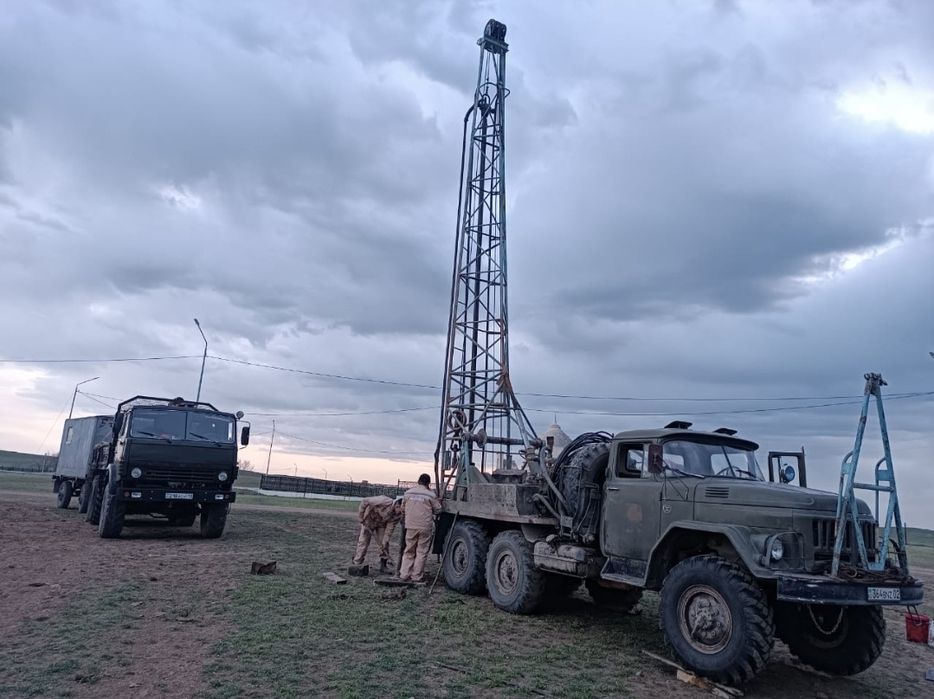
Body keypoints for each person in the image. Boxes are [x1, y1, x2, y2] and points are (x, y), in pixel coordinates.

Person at [399, 473, 441, 582]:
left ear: (418, 481)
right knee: (421, 552)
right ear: (428, 483)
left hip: (410, 526)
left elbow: (402, 509)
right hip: (425, 526)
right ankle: (416, 576)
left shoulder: (408, 493)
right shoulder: (430, 495)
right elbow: (438, 510)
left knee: (409, 550)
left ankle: (404, 575)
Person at [353, 494, 403, 574]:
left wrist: (384, 542)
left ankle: (383, 565)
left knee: (385, 544)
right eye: (401, 510)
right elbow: (365, 501)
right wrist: (360, 516)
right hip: (368, 521)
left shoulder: (398, 516)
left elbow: (389, 530)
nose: (401, 513)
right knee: (363, 542)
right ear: (397, 505)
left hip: (381, 525)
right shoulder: (384, 500)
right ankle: (357, 562)